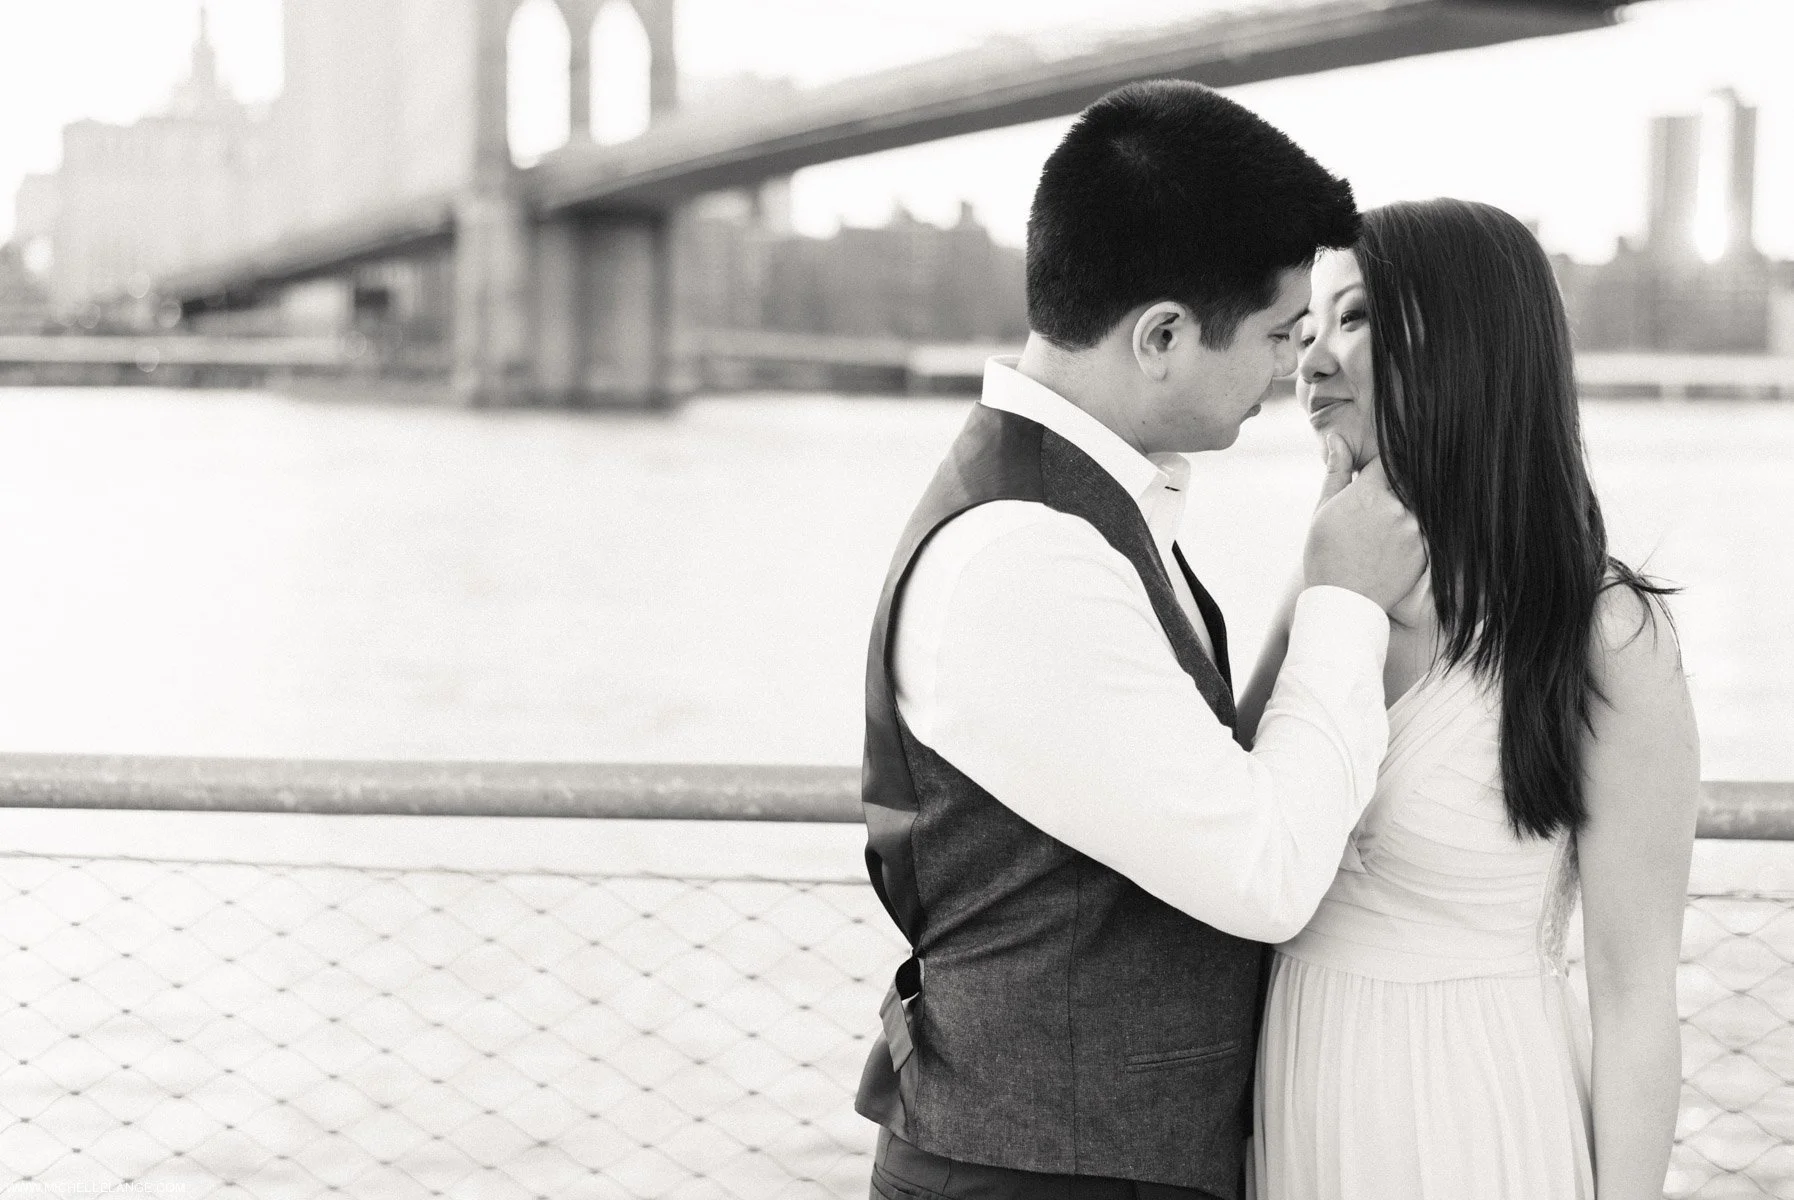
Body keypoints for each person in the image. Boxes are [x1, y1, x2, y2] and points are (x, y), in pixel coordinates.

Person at [855, 80, 1426, 1200]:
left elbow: (1207, 782)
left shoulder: (1082, 509)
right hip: (1032, 1176)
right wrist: (1345, 599)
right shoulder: (1021, 553)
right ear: (1162, 335)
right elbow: (1266, 874)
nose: (1292, 369)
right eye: (1278, 333)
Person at [1244, 199, 1700, 1199]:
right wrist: (1320, 574)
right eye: (1308, 326)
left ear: (1465, 341)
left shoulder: (1603, 635)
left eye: (1355, 318)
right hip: (1297, 1119)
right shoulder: (1327, 589)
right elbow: (1238, 839)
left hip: (1479, 1123)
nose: (1309, 360)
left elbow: (1634, 998)